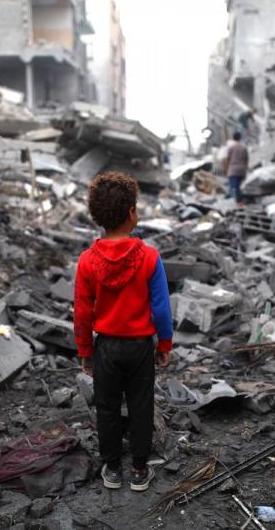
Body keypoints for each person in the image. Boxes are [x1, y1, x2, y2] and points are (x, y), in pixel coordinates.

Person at [73, 172, 173, 492]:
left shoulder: (88, 261)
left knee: (107, 406)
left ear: (98, 216)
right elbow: (161, 309)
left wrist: (85, 352)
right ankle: (140, 469)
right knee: (142, 405)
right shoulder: (150, 258)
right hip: (140, 346)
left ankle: (113, 468)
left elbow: (83, 313)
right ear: (131, 213)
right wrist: (165, 344)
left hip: (107, 348)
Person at [223, 131, 249, 205]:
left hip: (233, 169)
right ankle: (241, 201)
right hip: (242, 169)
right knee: (240, 186)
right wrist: (245, 168)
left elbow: (227, 159)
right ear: (240, 138)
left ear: (233, 138)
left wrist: (226, 169)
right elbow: (246, 159)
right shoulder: (244, 147)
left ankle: (236, 202)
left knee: (234, 187)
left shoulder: (231, 147)